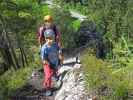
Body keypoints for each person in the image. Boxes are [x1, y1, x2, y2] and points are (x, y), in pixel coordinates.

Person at [40, 29, 63, 96]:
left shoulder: (55, 45)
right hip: (47, 64)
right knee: (48, 75)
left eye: (51, 38)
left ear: (53, 37)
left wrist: (60, 55)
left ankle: (55, 76)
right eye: (47, 38)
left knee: (54, 70)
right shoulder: (44, 48)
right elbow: (43, 59)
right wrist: (48, 64)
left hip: (54, 62)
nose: (49, 40)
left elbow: (59, 49)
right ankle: (48, 88)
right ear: (45, 38)